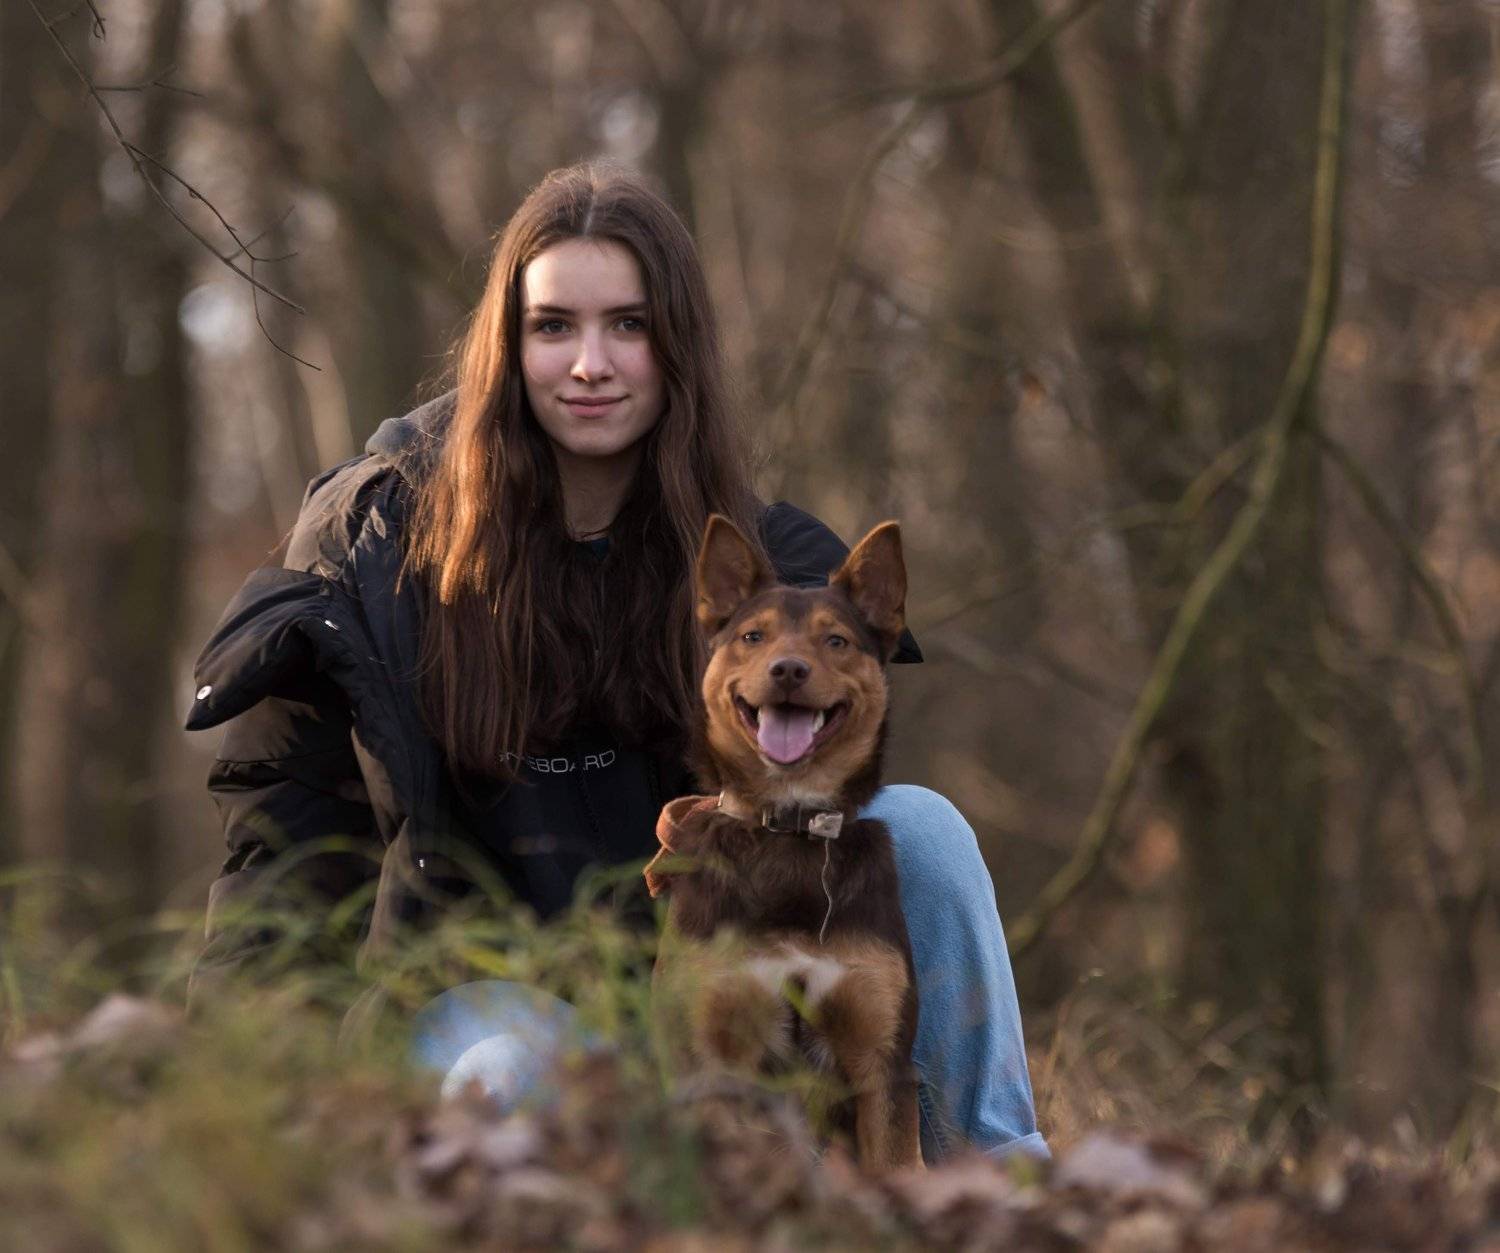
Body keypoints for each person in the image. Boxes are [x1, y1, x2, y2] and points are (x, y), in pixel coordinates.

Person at [185, 161, 1047, 1161]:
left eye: (628, 325)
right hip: (481, 1005)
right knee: (502, 1063)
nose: (589, 363)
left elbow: (832, 831)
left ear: (677, 345)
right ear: (507, 346)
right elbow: (284, 850)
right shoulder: (375, 553)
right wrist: (231, 1110)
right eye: (553, 326)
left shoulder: (768, 576)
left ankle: (1001, 1188)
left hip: (711, 1003)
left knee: (923, 829)